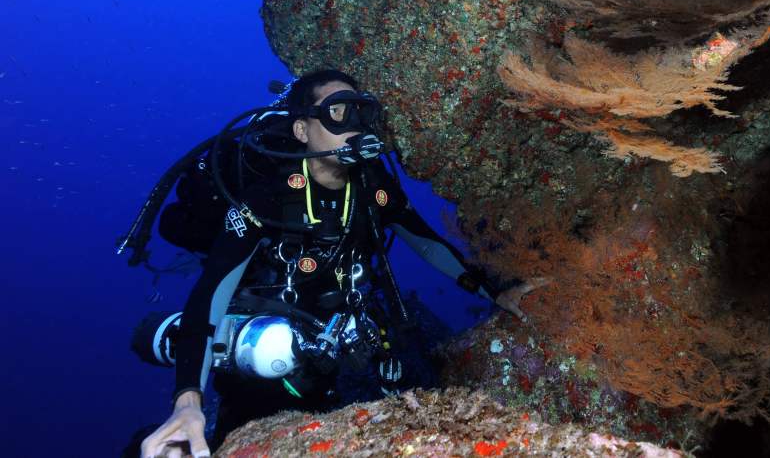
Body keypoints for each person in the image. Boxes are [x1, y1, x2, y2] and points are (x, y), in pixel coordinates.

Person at [135, 69, 547, 458]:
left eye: (361, 112)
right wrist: (188, 402)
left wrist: (495, 292)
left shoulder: (373, 186)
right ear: (301, 130)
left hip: (330, 335)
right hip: (268, 337)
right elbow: (210, 293)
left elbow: (427, 244)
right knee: (251, 412)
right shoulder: (268, 198)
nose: (354, 124)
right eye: (337, 112)